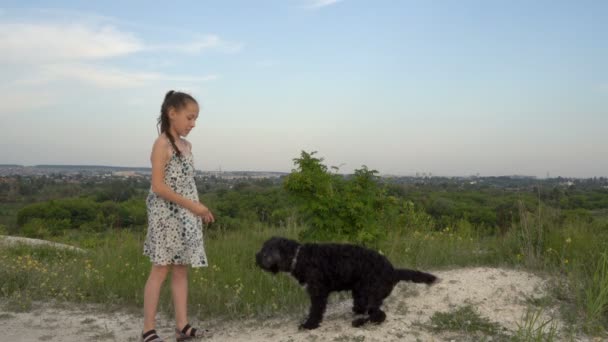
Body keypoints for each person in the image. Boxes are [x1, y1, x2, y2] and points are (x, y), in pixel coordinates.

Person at [142, 90, 215, 342]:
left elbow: (187, 184)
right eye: (190, 117)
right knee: (160, 269)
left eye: (195, 119)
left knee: (181, 269)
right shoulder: (162, 144)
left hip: (185, 216)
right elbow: (158, 186)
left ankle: (182, 327)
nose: (193, 124)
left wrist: (197, 209)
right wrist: (194, 206)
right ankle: (148, 330)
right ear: (172, 113)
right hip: (165, 215)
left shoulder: (187, 146)